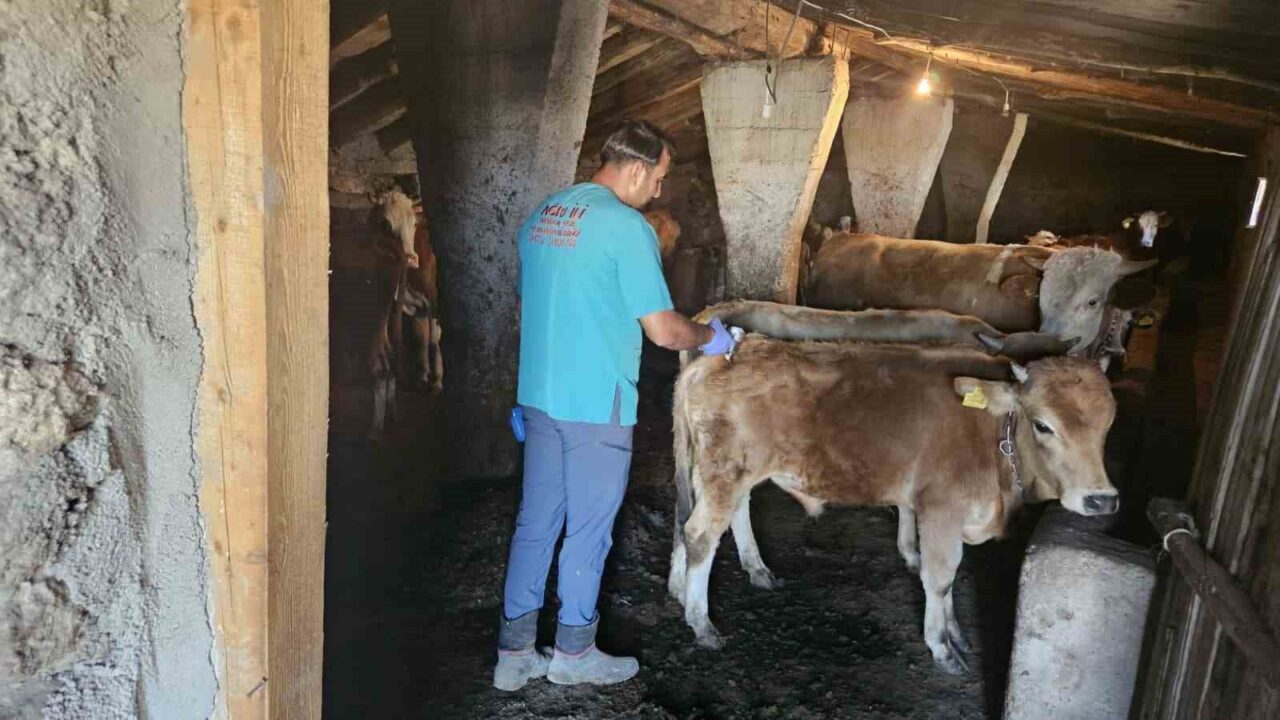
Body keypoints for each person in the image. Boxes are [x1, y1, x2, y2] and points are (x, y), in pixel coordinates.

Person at [493, 121, 735, 691]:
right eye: (658, 178)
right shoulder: (625, 227)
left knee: (535, 523)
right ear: (635, 168)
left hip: (540, 399)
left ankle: (514, 653)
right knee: (589, 530)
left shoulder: (543, 216)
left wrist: (524, 391)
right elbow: (663, 332)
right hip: (595, 401)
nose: (657, 192)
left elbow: (529, 308)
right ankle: (574, 654)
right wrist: (713, 338)